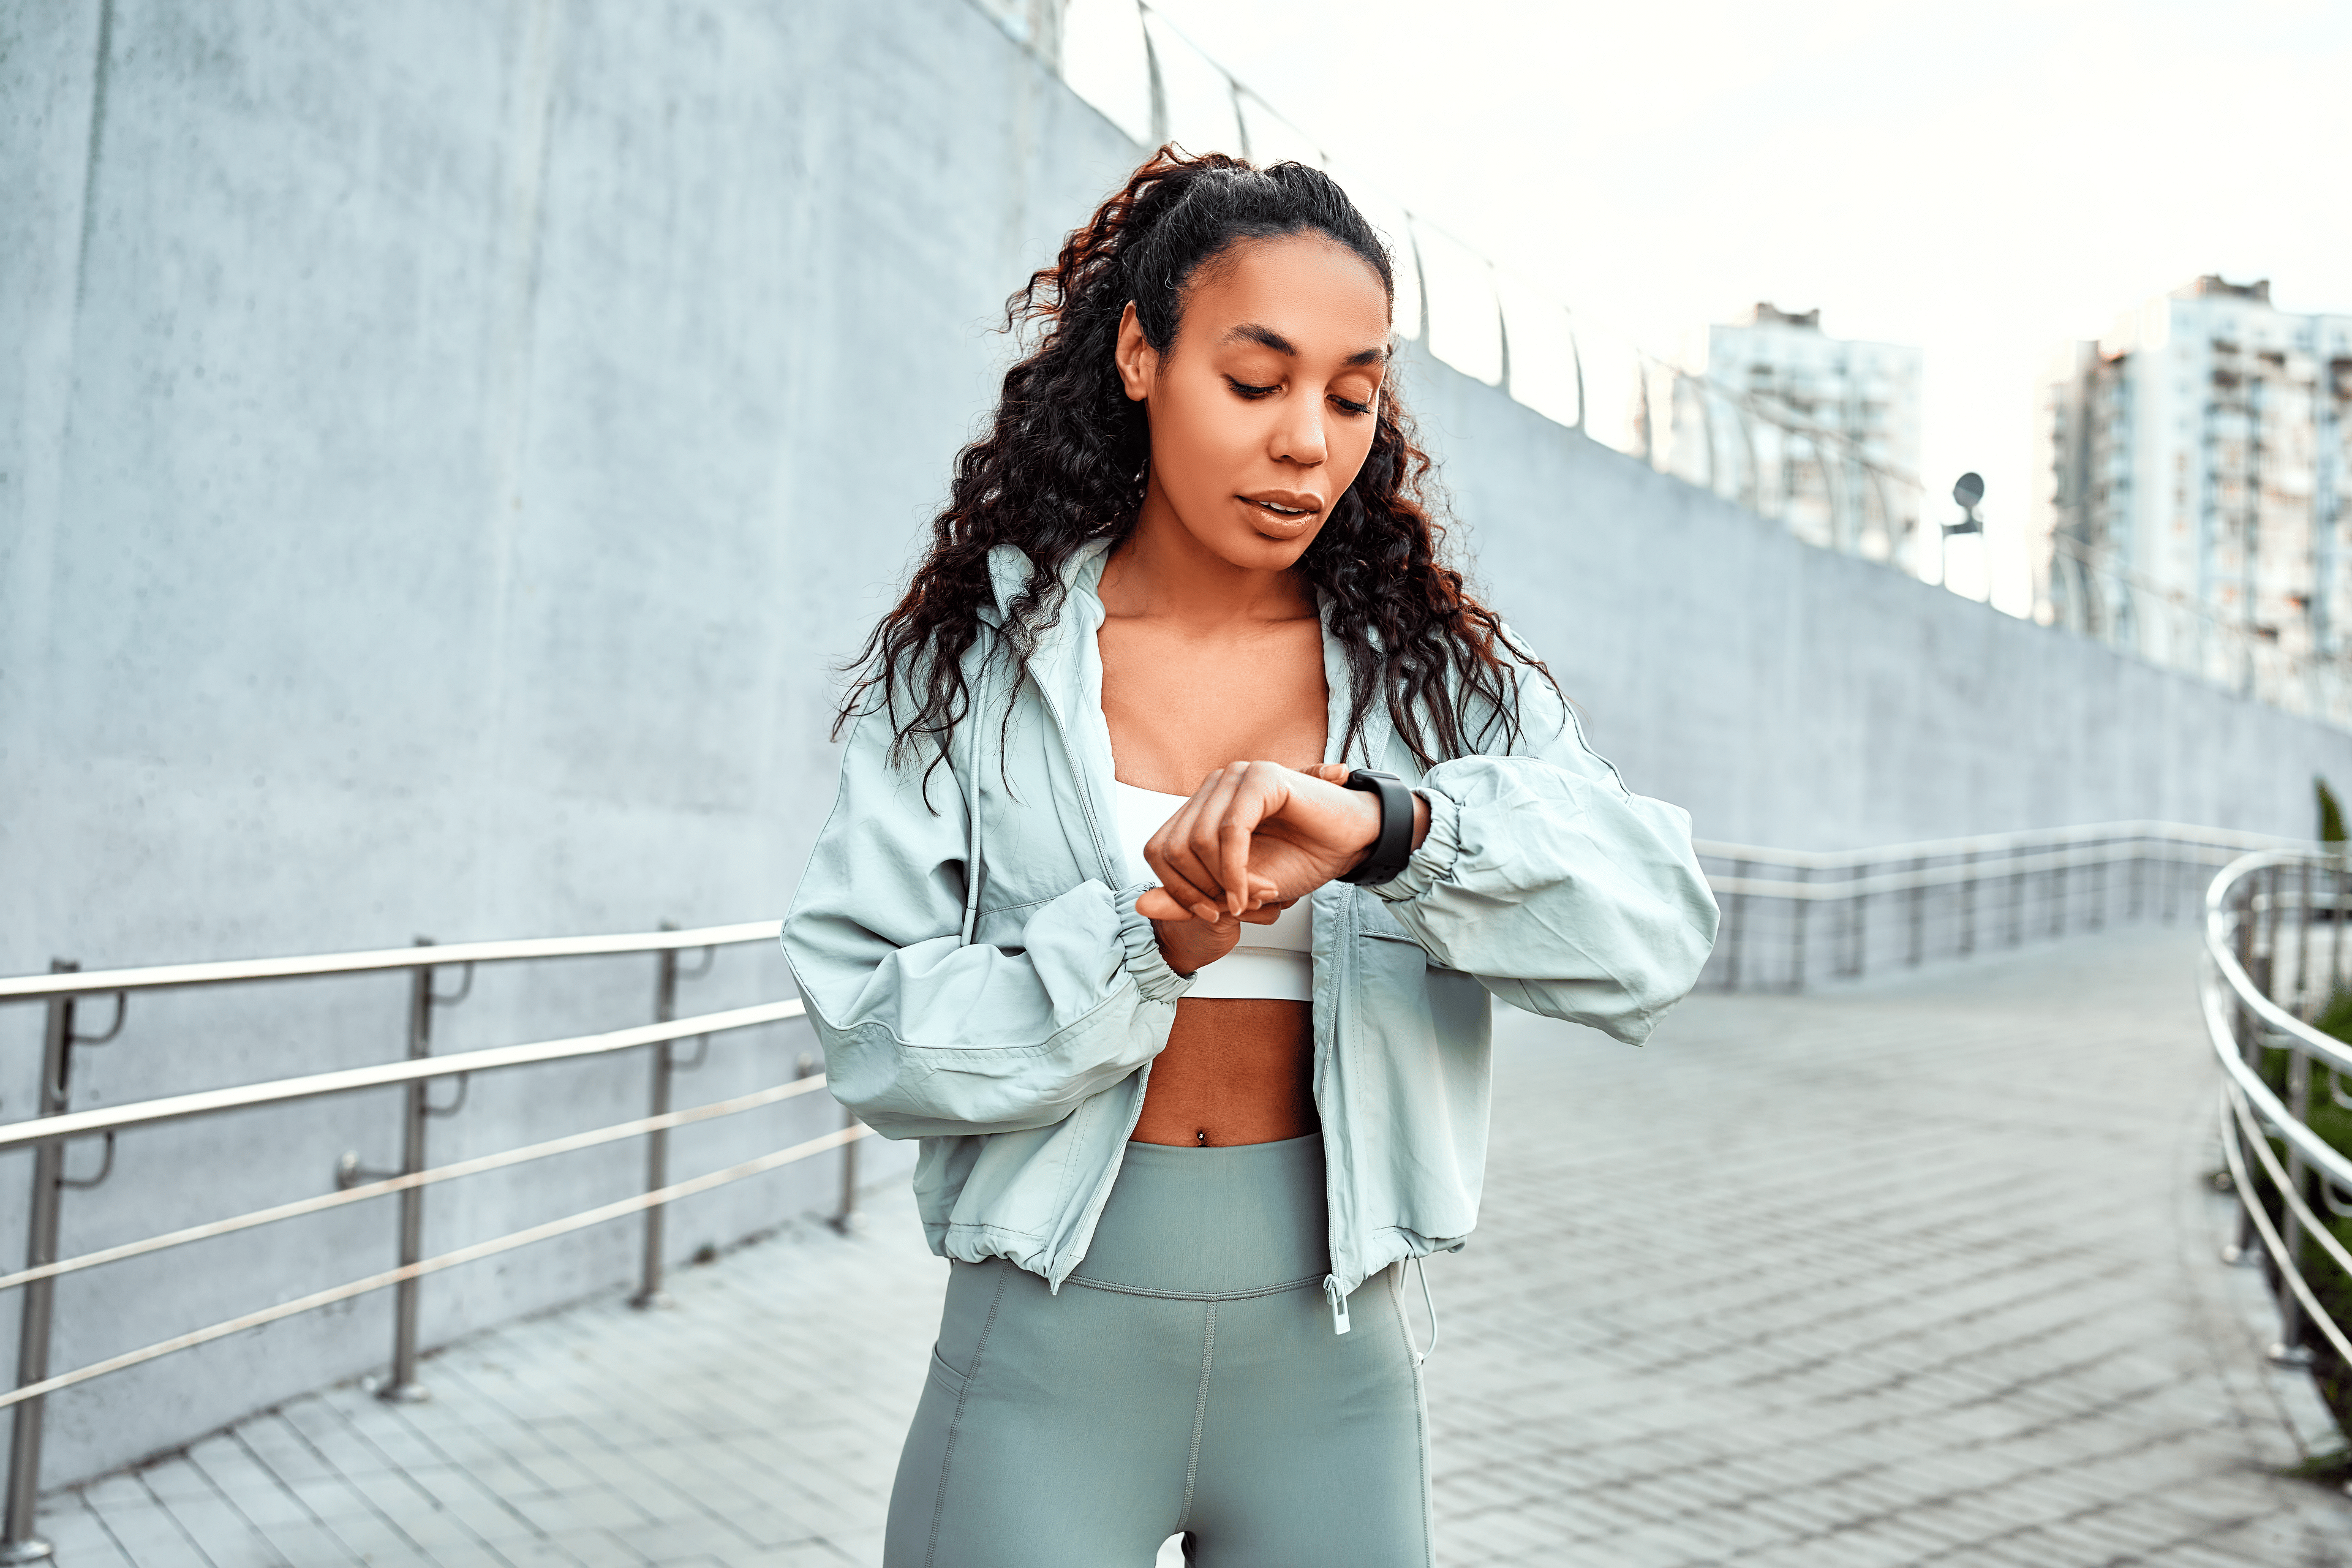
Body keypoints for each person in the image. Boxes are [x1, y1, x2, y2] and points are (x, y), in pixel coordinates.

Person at [782, 148, 1718, 1568]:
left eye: (1353, 395)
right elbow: (867, 1025)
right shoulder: (981, 672)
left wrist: (1393, 831)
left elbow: (1658, 926)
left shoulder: (1433, 685)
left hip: (1336, 1374)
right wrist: (1137, 947)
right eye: (1257, 378)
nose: (1308, 444)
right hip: (1045, 1357)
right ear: (1143, 355)